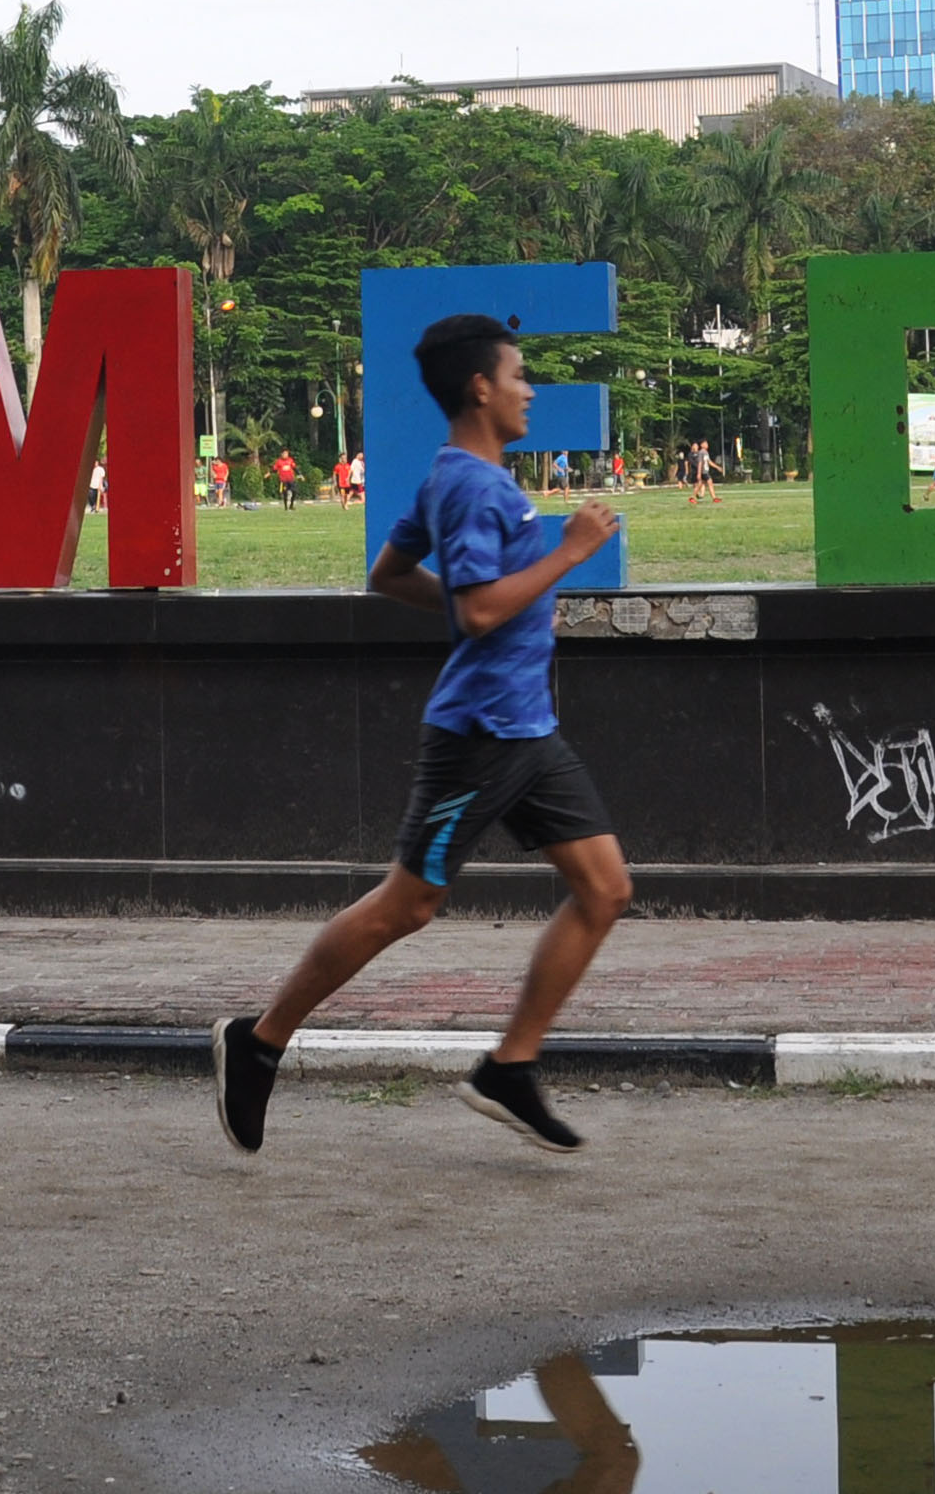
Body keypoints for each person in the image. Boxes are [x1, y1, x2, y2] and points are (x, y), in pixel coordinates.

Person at [213, 313, 631, 1159]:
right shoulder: (477, 489)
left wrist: (470, 608)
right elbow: (477, 611)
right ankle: (257, 1042)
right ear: (480, 386)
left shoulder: (454, 475)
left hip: (528, 731)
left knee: (606, 889)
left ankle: (510, 1067)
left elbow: (389, 575)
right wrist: (570, 551)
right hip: (478, 736)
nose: (530, 390)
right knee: (410, 905)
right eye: (518, 375)